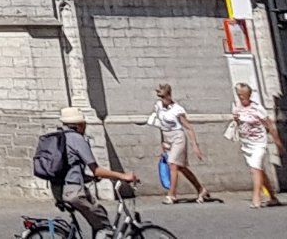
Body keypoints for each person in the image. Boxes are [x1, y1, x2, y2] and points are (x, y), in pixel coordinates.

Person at [34, 106, 128, 236]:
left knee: (96, 215)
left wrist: (88, 178)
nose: (85, 126)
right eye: (84, 124)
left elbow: (67, 169)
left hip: (59, 191)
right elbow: (96, 170)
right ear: (79, 125)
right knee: (104, 226)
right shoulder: (76, 139)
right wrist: (123, 176)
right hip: (75, 193)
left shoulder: (58, 138)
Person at [142, 84, 209, 204]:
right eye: (160, 97)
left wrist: (195, 145)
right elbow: (160, 125)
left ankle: (171, 195)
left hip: (178, 136)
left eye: (163, 97)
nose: (162, 100)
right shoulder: (158, 106)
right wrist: (162, 141)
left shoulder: (177, 109)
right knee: (181, 167)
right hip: (167, 137)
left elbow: (188, 127)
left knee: (172, 163)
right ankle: (201, 189)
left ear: (169, 95)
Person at [227, 82, 279, 209]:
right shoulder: (236, 107)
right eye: (239, 95)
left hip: (259, 142)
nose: (241, 97)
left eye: (243, 95)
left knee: (254, 168)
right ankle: (272, 197)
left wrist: (277, 141)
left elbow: (269, 124)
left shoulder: (257, 108)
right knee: (259, 170)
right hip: (246, 143)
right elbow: (238, 123)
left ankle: (257, 197)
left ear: (248, 95)